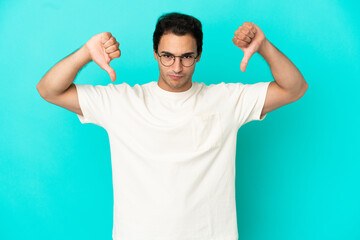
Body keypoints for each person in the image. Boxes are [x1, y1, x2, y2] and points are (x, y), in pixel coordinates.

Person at [37, 12, 308, 240]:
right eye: (167, 56)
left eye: (187, 56)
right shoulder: (121, 101)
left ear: (198, 55)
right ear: (155, 54)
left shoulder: (226, 99)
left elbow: (294, 88)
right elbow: (49, 90)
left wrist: (264, 47)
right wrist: (85, 53)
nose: (176, 66)